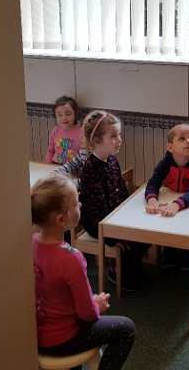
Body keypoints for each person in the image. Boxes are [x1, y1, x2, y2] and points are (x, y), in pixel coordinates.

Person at [31, 173, 136, 370]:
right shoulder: (72, 259)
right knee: (127, 329)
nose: (80, 205)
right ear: (62, 219)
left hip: (35, 336)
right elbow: (87, 314)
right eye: (76, 203)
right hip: (64, 339)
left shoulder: (31, 244)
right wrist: (97, 304)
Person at [79, 110, 151, 291]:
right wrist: (111, 238)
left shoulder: (112, 160)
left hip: (114, 217)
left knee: (146, 234)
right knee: (132, 242)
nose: (119, 140)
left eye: (119, 135)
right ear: (96, 141)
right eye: (113, 136)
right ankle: (118, 272)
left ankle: (133, 269)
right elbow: (96, 211)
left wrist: (131, 214)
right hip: (97, 224)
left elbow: (121, 190)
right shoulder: (90, 169)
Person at [144, 123, 189, 270]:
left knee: (188, 222)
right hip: (170, 197)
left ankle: (187, 253)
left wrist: (177, 204)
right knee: (166, 220)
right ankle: (169, 251)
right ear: (170, 147)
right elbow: (153, 183)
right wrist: (152, 200)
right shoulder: (165, 164)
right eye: (182, 139)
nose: (188, 141)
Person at [45, 96, 84, 165]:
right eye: (60, 115)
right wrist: (48, 164)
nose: (64, 118)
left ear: (75, 114)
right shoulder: (55, 131)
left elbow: (85, 154)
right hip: (55, 165)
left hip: (73, 168)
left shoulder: (82, 133)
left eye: (68, 114)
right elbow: (50, 150)